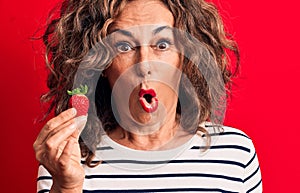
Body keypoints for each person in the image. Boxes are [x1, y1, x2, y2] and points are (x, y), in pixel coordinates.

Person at [33, 0, 262, 192]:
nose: (144, 65)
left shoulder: (234, 152)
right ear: (103, 64)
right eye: (124, 47)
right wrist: (66, 188)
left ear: (184, 59)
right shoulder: (66, 161)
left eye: (162, 44)